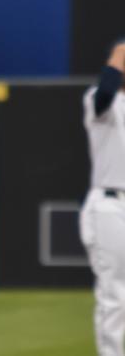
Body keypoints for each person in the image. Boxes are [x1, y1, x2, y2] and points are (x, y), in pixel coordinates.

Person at [80, 39, 125, 356]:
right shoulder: (100, 101)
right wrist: (119, 53)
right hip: (110, 207)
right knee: (114, 294)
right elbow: (106, 92)